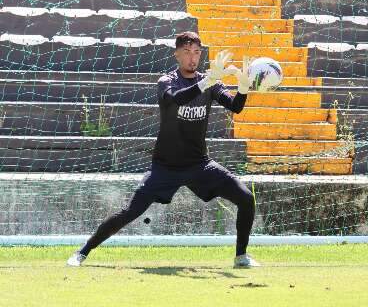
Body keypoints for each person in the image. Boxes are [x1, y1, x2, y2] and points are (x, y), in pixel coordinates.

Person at [67, 31, 260, 268]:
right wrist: (206, 82)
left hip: (200, 165)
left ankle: (241, 256)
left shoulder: (210, 82)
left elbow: (236, 107)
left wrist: (243, 87)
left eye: (197, 52)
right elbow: (177, 99)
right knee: (130, 211)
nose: (192, 58)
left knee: (246, 198)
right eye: (187, 52)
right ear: (176, 54)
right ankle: (83, 252)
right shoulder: (167, 81)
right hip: (165, 167)